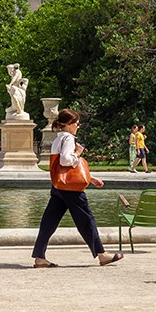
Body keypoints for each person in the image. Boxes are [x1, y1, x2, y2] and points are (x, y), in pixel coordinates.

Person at [31, 108, 122, 268]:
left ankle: (39, 257)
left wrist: (90, 178)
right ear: (68, 124)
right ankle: (102, 255)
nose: (78, 126)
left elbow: (63, 167)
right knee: (87, 220)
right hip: (70, 190)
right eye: (76, 123)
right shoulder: (68, 138)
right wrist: (78, 153)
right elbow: (66, 161)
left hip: (59, 185)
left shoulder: (58, 139)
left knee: (49, 221)